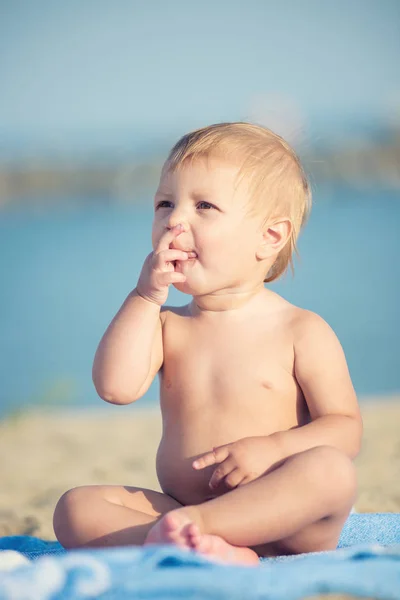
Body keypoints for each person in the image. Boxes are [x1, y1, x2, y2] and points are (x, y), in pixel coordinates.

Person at [53, 122, 363, 565]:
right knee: (74, 508)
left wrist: (275, 449)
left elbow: (345, 428)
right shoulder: (165, 326)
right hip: (184, 508)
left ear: (269, 237)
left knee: (331, 472)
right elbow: (115, 388)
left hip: (288, 521)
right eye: (165, 203)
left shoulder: (300, 329)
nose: (175, 220)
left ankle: (191, 537)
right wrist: (144, 297)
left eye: (204, 206)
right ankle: (199, 545)